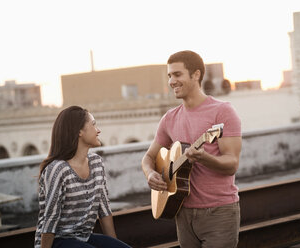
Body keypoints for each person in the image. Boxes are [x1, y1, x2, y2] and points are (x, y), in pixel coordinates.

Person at [142, 50, 242, 247]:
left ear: (196, 74)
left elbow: (232, 164)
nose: (171, 81)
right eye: (169, 75)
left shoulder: (223, 112)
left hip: (219, 212)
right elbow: (149, 156)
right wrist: (150, 174)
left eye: (177, 74)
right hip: (182, 211)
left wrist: (205, 158)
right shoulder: (169, 118)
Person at [34, 106, 131, 248]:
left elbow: (104, 208)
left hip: (83, 238)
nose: (98, 130)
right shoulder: (57, 169)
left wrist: (114, 245)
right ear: (79, 131)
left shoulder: (96, 162)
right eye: (93, 124)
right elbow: (51, 219)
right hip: (57, 241)